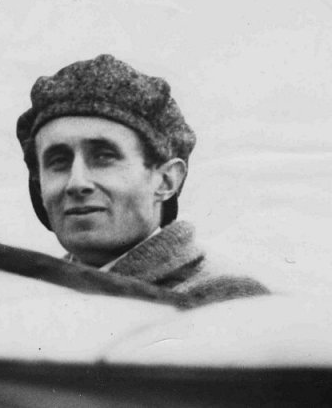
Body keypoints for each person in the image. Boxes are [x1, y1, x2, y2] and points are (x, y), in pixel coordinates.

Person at [16, 54, 268, 306]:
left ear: (166, 181)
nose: (76, 183)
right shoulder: (29, 299)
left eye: (104, 157)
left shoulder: (222, 301)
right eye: (58, 161)